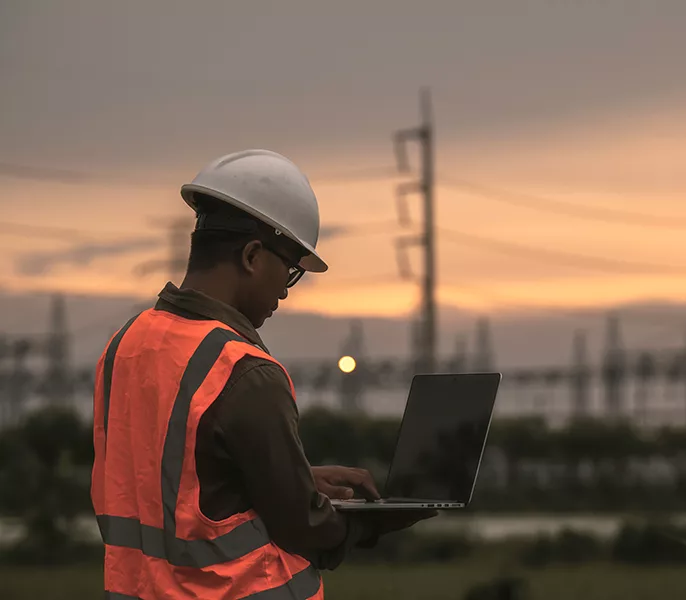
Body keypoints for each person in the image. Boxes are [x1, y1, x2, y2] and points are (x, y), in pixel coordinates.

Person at [91, 149, 436, 600]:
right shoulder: (244, 371)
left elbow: (170, 484)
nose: (285, 293)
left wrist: (297, 477)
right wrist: (382, 516)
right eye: (290, 272)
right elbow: (307, 529)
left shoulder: (125, 347)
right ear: (253, 256)